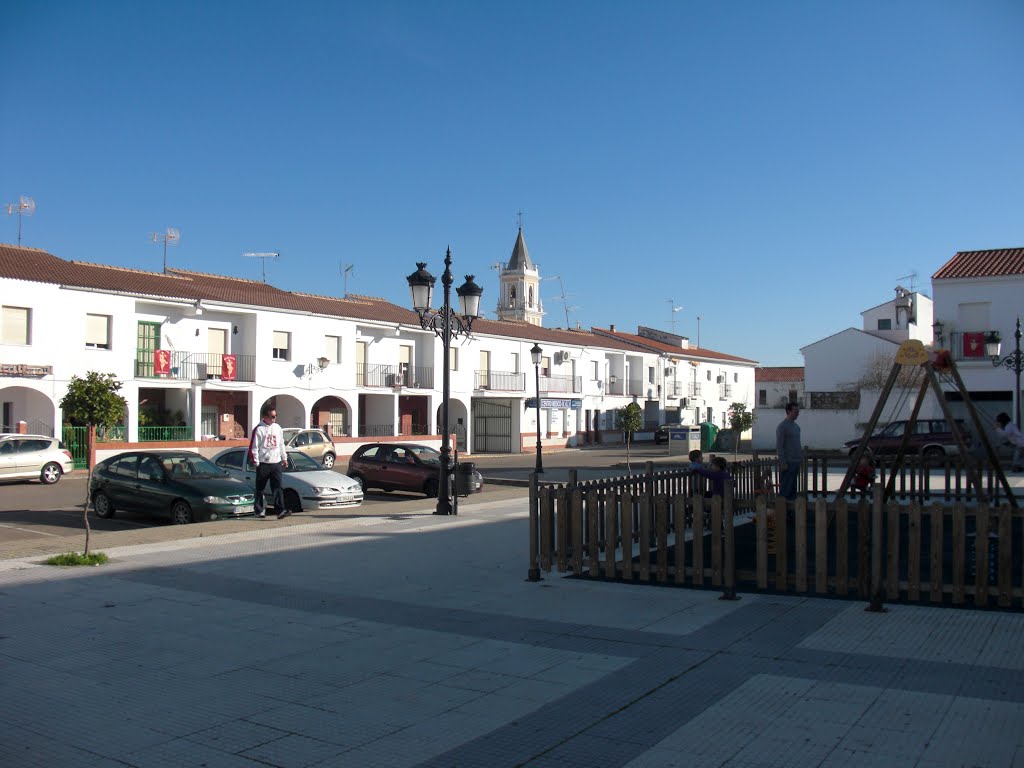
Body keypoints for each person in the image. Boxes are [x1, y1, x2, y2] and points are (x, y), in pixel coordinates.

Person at [248, 404, 289, 519]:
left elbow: (281, 444)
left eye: (275, 416)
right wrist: (256, 462)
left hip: (276, 462)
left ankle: (280, 511)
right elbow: (254, 447)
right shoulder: (258, 429)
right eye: (272, 416)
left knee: (278, 487)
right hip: (263, 463)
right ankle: (259, 510)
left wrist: (284, 458)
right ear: (265, 417)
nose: (274, 419)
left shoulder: (277, 428)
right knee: (260, 488)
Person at [776, 402, 802, 501]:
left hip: (796, 462)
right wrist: (783, 462)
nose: (797, 413)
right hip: (788, 462)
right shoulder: (782, 427)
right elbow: (779, 446)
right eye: (795, 411)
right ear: (788, 411)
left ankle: (792, 514)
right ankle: (783, 512)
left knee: (793, 490)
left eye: (798, 411)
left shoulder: (796, 427)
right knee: (786, 489)